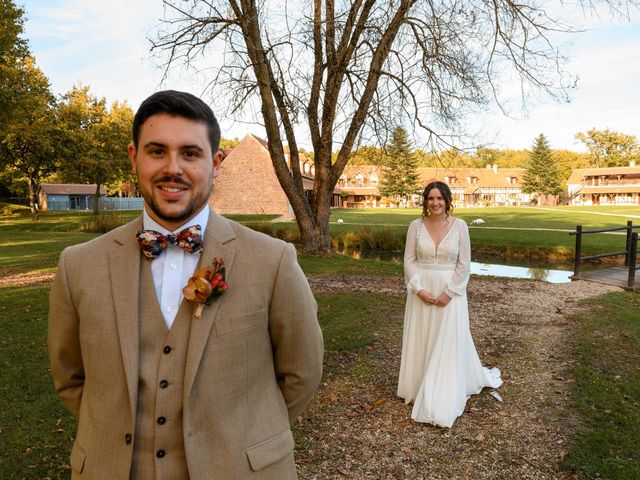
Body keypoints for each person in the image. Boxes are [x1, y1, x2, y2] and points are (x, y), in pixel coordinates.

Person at [48, 90, 324, 479]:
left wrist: (241, 436)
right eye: (157, 151)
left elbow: (302, 373)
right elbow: (69, 378)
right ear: (134, 157)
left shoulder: (273, 261)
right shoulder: (78, 265)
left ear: (217, 162)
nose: (172, 168)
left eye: (190, 154)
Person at [397, 181, 502, 428]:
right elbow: (408, 261)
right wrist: (418, 289)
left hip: (450, 293)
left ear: (447, 200)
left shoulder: (460, 226)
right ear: (425, 201)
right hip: (421, 290)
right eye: (430, 198)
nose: (435, 203)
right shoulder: (415, 226)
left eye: (439, 198)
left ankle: (441, 389)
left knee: (447, 339)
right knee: (423, 337)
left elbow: (464, 264)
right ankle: (418, 383)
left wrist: (450, 292)